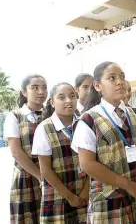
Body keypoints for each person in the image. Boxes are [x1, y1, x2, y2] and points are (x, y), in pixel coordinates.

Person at [71, 62, 136, 223]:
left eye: (122, 77)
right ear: (97, 86)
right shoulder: (89, 119)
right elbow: (87, 164)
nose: (120, 82)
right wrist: (128, 185)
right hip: (108, 199)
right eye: (112, 78)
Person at [32, 83, 89, 223]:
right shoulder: (44, 128)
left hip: (85, 193)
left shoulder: (86, 124)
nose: (68, 101)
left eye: (72, 96)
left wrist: (86, 191)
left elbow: (95, 160)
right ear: (52, 102)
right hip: (58, 195)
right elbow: (45, 170)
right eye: (61, 97)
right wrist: (70, 197)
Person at [4, 74, 48, 223]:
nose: (41, 92)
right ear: (24, 92)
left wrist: (47, 176)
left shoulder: (52, 114)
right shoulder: (15, 116)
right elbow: (16, 152)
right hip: (26, 176)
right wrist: (40, 176)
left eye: (44, 88)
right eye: (35, 88)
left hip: (52, 175)